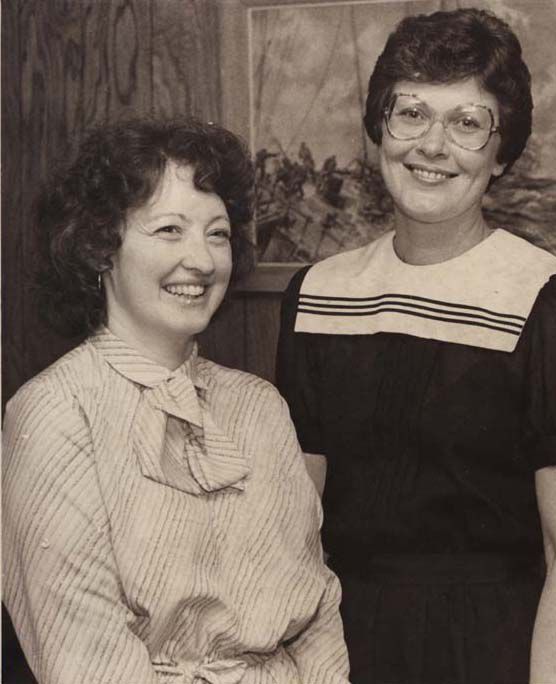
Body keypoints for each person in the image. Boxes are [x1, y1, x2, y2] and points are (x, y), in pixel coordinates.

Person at [275, 8, 556, 684]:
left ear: (502, 153)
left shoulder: (553, 301)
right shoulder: (317, 296)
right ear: (379, 129)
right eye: (412, 114)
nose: (432, 146)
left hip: (495, 650)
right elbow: (296, 533)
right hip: (340, 651)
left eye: (467, 123)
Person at [2, 117, 350, 684]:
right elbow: (84, 657)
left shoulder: (260, 406)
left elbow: (318, 616)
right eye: (169, 230)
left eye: (217, 234)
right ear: (99, 248)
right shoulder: (54, 413)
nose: (203, 261)